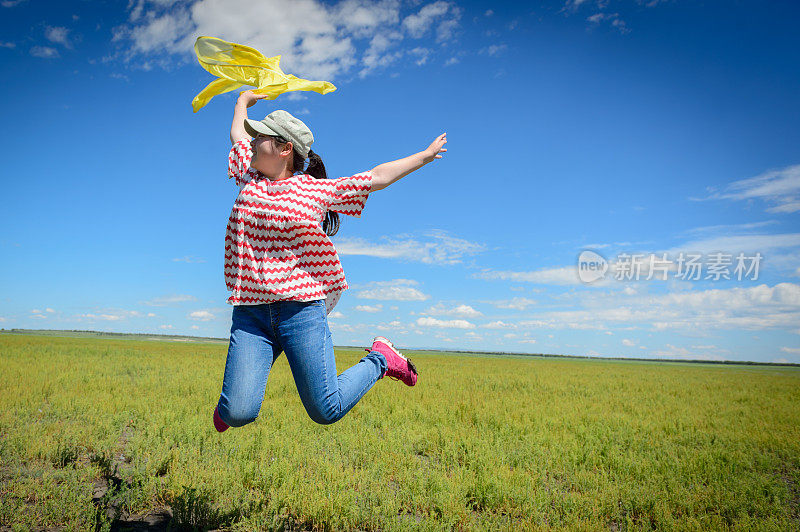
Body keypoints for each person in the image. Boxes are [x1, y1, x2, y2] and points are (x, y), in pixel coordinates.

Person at [213, 90, 447, 430]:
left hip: (301, 312)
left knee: (326, 408)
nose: (252, 142)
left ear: (284, 148)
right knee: (237, 413)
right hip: (251, 314)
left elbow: (376, 177)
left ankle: (382, 358)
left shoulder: (313, 191)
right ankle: (233, 403)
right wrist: (242, 103)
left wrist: (424, 156)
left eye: (261, 137)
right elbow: (237, 134)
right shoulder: (249, 177)